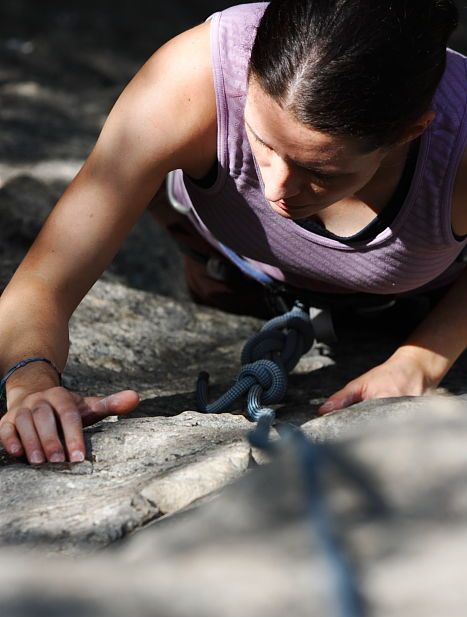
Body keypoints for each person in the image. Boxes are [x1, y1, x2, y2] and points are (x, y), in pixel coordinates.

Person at [0, 0, 465, 465]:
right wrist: (32, 382)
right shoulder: (192, 76)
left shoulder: (459, 147)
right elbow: (42, 283)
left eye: (321, 171)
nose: (276, 187)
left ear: (412, 130)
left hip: (410, 302)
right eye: (261, 141)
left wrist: (420, 361)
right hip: (227, 268)